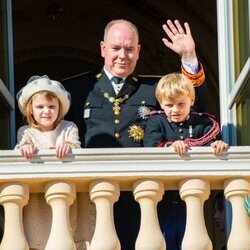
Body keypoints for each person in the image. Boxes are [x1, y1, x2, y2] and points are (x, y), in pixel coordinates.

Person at [63, 19, 207, 249]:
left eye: (130, 49)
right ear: (103, 49)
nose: (123, 55)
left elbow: (196, 107)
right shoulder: (77, 90)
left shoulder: (154, 90)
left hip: (143, 198)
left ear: (138, 52)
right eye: (116, 48)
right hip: (93, 197)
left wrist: (188, 56)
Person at [143, 73, 228, 156]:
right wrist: (170, 147)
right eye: (169, 105)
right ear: (161, 103)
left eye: (181, 104)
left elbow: (210, 147)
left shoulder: (203, 123)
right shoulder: (156, 121)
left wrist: (217, 146)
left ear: (192, 101)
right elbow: (151, 147)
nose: (175, 110)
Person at [15, 75, 81, 159]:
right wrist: (25, 147)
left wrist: (68, 146)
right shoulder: (25, 131)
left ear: (59, 109)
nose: (46, 111)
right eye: (40, 107)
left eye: (52, 107)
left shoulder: (69, 128)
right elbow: (21, 150)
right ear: (31, 110)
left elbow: (75, 146)